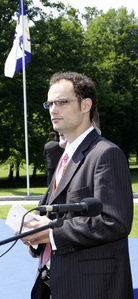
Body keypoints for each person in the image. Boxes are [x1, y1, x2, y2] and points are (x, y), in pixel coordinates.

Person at [21, 72, 134, 298]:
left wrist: (51, 233)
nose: (53, 109)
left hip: (92, 288)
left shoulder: (106, 154)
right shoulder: (67, 156)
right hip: (54, 282)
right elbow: (52, 213)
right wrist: (34, 235)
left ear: (86, 105)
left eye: (62, 102)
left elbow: (115, 222)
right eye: (50, 103)